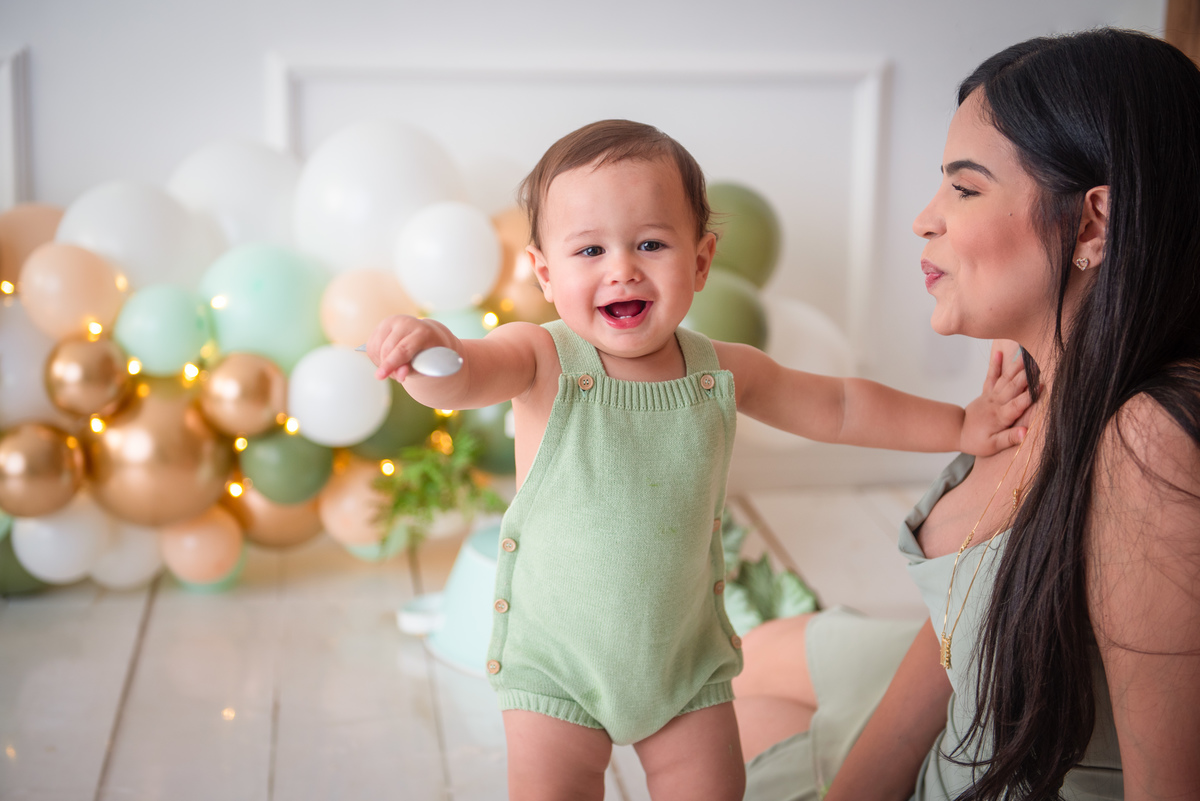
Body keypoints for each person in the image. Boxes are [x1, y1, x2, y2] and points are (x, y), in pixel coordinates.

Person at [365, 119, 1028, 801]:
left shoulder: (721, 370)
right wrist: (429, 350)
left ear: (702, 259)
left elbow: (839, 406)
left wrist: (961, 424)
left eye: (651, 243)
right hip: (555, 664)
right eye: (589, 249)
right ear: (545, 273)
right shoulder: (541, 356)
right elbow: (467, 374)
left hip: (684, 660)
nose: (622, 268)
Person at [737, 28, 1200, 801]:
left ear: (1093, 225)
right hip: (972, 695)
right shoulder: (1037, 375)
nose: (925, 219)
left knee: (732, 729)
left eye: (965, 189)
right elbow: (963, 615)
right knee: (747, 664)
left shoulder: (1150, 443)